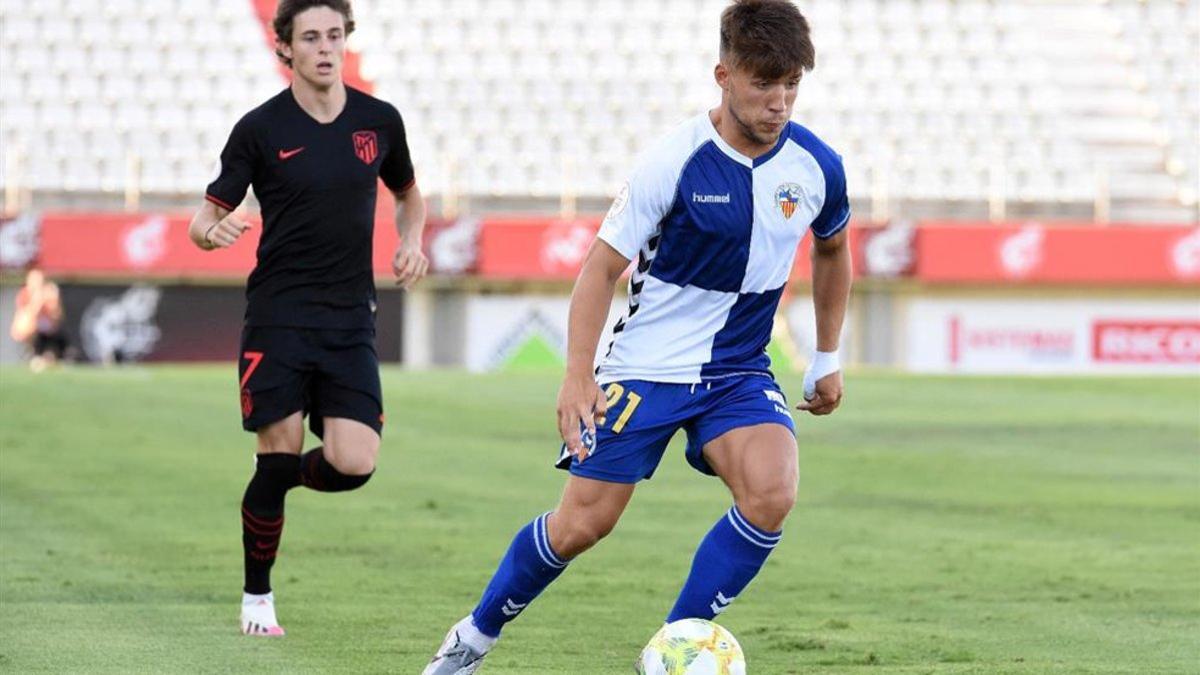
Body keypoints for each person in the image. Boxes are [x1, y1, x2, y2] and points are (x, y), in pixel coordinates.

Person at [423, 0, 852, 671]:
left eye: (791, 84)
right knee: (582, 525)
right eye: (763, 83)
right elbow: (599, 271)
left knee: (773, 491)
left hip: (738, 370)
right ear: (724, 75)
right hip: (647, 367)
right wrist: (577, 375)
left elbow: (833, 250)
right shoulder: (673, 161)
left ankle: (676, 643)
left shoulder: (816, 165)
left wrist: (826, 356)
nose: (779, 101)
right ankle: (472, 637)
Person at [185, 0, 428, 637]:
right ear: (285, 49)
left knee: (355, 463)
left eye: (336, 35)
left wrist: (412, 240)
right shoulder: (260, 129)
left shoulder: (380, 120)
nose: (326, 47)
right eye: (311, 37)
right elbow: (200, 223)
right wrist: (220, 233)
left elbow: (408, 196)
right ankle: (257, 599)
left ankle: (271, 485)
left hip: (351, 319)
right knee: (281, 448)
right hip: (278, 319)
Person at [10, 268, 67, 372]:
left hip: (46, 330)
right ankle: (36, 357)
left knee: (57, 335)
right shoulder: (25, 294)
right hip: (29, 329)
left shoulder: (48, 292)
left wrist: (53, 299)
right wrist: (37, 300)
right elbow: (26, 316)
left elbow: (57, 316)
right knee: (32, 328)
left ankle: (49, 357)